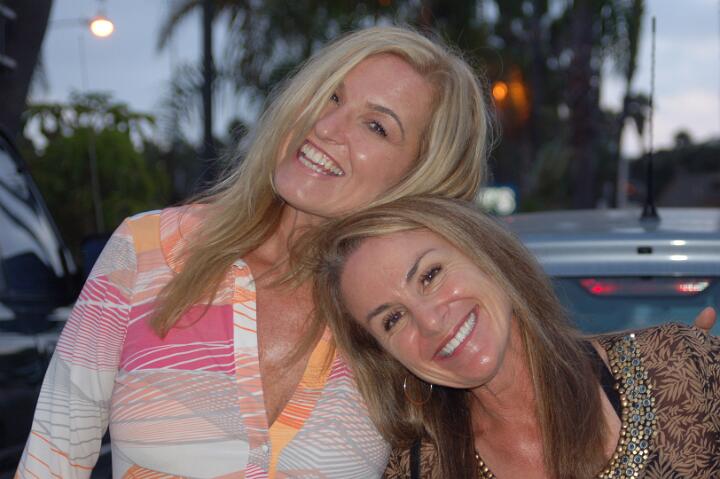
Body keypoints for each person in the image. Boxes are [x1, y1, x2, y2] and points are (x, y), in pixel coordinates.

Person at [15, 26, 494, 478]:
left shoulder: (402, 319)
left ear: (419, 176)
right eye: (330, 95)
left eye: (375, 126)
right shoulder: (147, 250)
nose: (327, 126)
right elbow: (51, 460)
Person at [310, 195, 720, 479]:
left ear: (487, 255)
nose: (431, 322)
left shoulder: (681, 371)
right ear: (386, 355)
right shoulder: (416, 468)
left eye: (430, 275)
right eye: (393, 319)